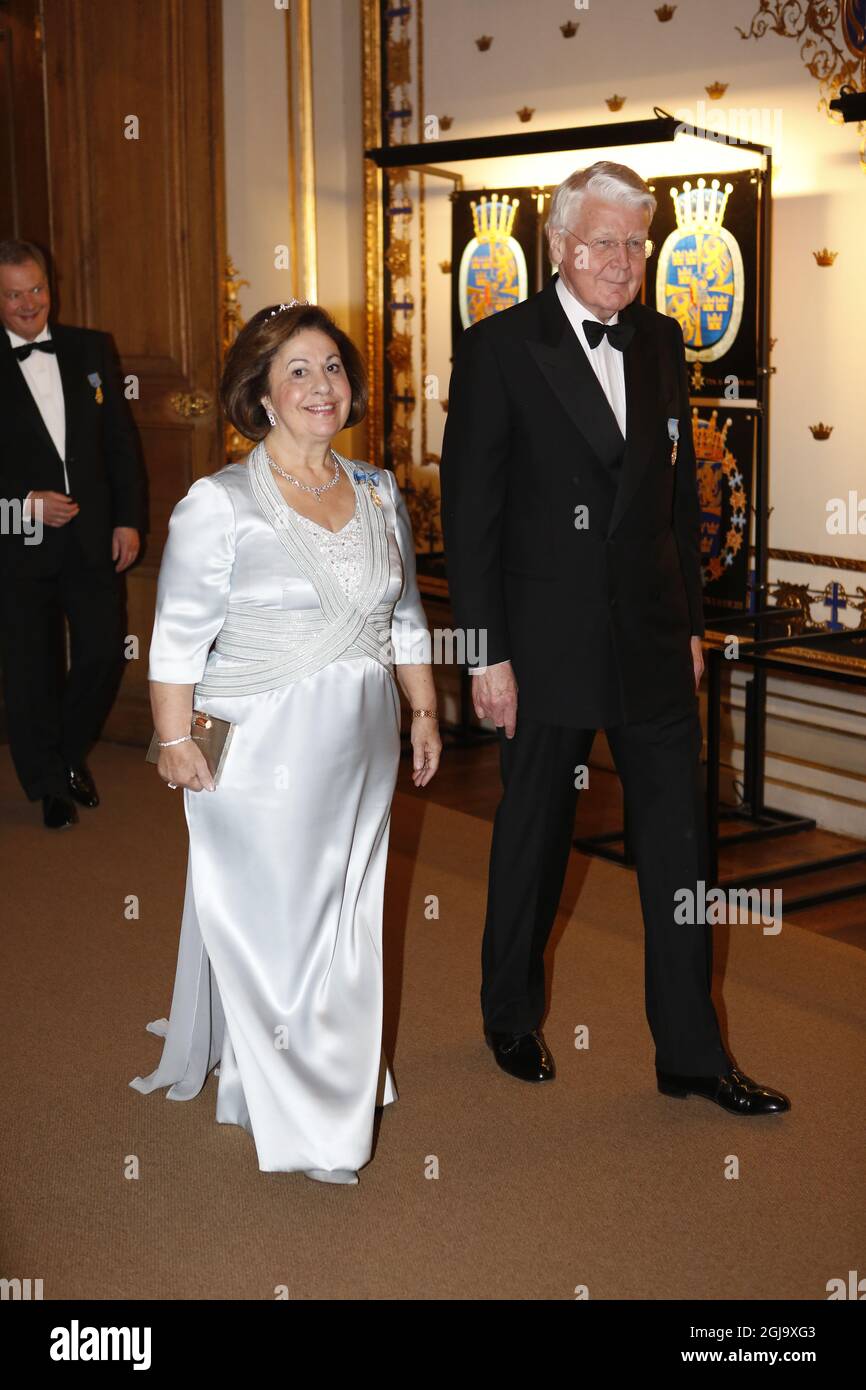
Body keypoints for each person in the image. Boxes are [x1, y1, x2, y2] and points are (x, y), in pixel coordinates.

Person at [439, 162, 789, 1116]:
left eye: (636, 244)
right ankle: (509, 1013)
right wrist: (485, 654)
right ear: (558, 246)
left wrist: (690, 626)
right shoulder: (499, 348)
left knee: (683, 849)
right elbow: (472, 518)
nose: (622, 262)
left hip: (650, 642)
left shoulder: (664, 342)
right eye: (603, 242)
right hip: (540, 647)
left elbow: (678, 501)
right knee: (534, 839)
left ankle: (691, 1052)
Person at [130, 300, 440, 1181]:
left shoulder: (379, 492)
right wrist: (169, 737)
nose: (320, 386)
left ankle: (294, 1076)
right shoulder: (219, 503)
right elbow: (178, 634)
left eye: (332, 368)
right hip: (258, 754)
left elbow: (405, 618)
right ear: (260, 395)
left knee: (344, 922)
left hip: (363, 747)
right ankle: (312, 1120)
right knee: (282, 931)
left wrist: (420, 711)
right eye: (297, 370)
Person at [0, 239, 145, 828]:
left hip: (91, 540)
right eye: (13, 295)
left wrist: (129, 518)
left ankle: (61, 755)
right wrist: (22, 504)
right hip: (18, 546)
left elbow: (120, 443)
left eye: (37, 289)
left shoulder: (90, 349)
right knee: (31, 672)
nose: (30, 303)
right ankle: (48, 784)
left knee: (104, 652)